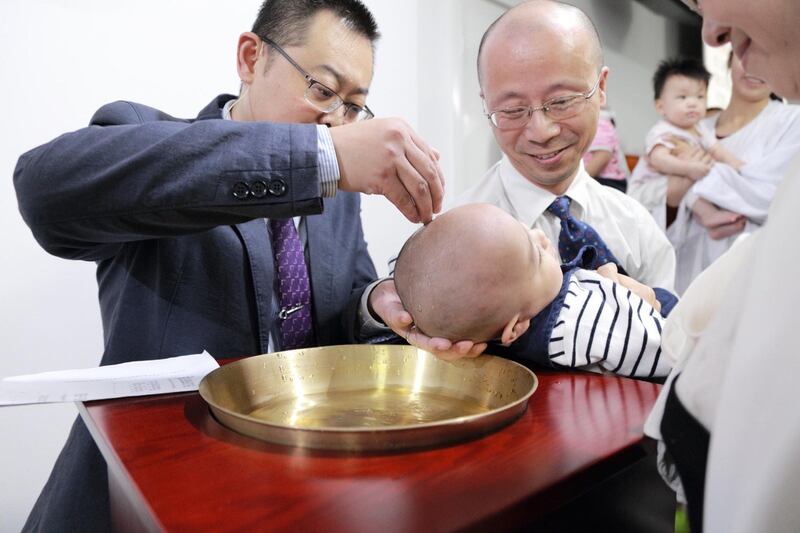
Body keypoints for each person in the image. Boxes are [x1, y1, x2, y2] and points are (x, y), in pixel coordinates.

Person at [12, 1, 446, 530]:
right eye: (323, 90)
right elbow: (44, 192)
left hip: (291, 493)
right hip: (141, 495)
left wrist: (376, 304)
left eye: (353, 106)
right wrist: (316, 157)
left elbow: (340, 306)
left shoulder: (339, 198)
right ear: (249, 57)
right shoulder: (150, 143)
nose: (336, 119)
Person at [645, 0, 800, 531]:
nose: (711, 35)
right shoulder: (700, 129)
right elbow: (649, 190)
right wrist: (685, 186)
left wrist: (689, 177)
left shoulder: (788, 121)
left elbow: (760, 194)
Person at [454, 0, 676, 293]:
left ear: (602, 88)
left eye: (561, 102)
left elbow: (673, 330)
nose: (541, 132)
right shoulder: (457, 235)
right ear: (486, 104)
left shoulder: (636, 228)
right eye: (512, 110)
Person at [394, 204, 677, 379]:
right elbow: (671, 357)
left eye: (525, 231)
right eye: (537, 256)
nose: (540, 237)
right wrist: (636, 309)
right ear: (515, 329)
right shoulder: (581, 324)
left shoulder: (508, 302)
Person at [667, 53, 800, 293]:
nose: (756, 66)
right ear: (729, 61)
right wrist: (673, 198)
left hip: (753, 280)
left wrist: (696, 173)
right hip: (686, 278)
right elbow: (644, 196)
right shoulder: (690, 128)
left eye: (768, 54)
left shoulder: (792, 122)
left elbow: (771, 197)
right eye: (744, 54)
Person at [628, 58, 743, 231]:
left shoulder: (700, 129)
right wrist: (688, 168)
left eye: (700, 96)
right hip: (648, 187)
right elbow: (659, 159)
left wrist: (734, 164)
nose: (692, 103)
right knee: (690, 182)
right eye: (682, 97)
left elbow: (716, 149)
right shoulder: (662, 130)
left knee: (694, 184)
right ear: (661, 107)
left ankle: (710, 217)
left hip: (676, 184)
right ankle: (708, 215)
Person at [582, 106, 629, 193]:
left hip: (606, 181)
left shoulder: (599, 123)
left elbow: (603, 155)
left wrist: (578, 180)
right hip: (602, 180)